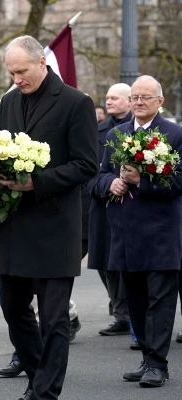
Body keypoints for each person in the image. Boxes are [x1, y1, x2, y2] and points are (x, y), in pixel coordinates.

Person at [0, 36, 97, 400]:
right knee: (13, 312)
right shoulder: (9, 101)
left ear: (42, 62)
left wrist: (37, 182)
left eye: (21, 71)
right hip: (13, 227)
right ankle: (37, 376)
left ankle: (45, 393)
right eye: (11, 72)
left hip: (56, 227)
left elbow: (87, 165)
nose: (16, 79)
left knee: (54, 318)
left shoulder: (77, 103)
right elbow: (0, 153)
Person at [95, 75, 182, 388]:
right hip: (126, 233)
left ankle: (158, 364)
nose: (139, 102)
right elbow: (98, 177)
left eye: (146, 97)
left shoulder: (175, 134)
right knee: (136, 301)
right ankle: (147, 357)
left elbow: (178, 182)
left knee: (160, 301)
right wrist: (111, 183)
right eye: (135, 97)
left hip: (161, 233)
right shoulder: (116, 134)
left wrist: (138, 181)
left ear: (160, 101)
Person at [87, 84, 134, 341]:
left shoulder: (137, 130)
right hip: (103, 204)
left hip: (133, 206)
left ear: (129, 100)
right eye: (107, 98)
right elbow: (91, 170)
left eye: (114, 97)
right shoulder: (99, 131)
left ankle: (131, 314)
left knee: (129, 263)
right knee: (106, 262)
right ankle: (121, 314)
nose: (109, 101)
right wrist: (107, 184)